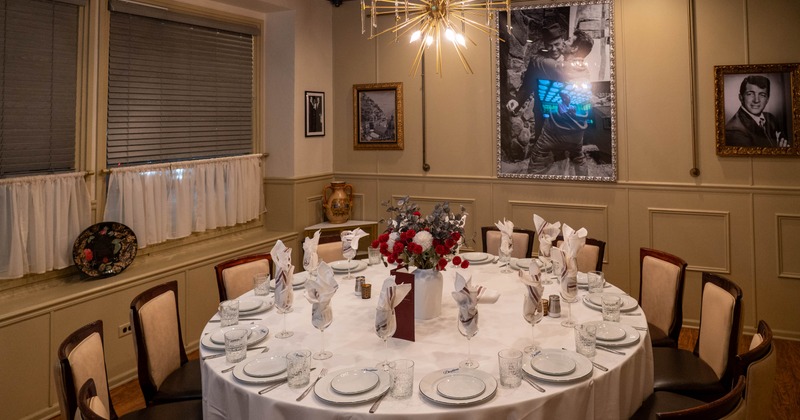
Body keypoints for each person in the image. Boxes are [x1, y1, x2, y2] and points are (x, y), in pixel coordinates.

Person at [725, 75, 789, 148]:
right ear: (741, 97)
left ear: (767, 99)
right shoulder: (734, 131)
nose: (756, 100)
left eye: (762, 95)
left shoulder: (771, 119)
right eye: (750, 94)